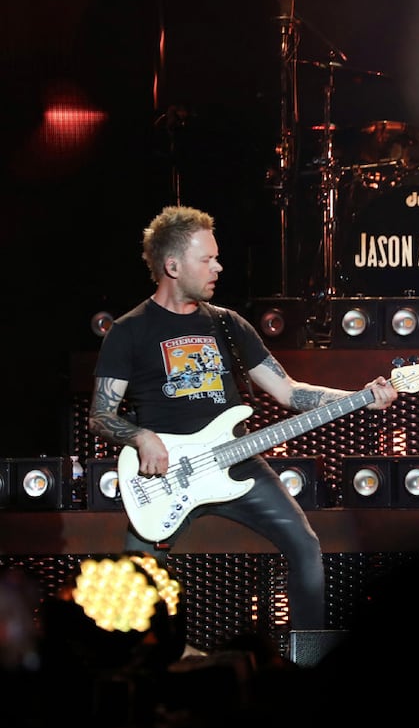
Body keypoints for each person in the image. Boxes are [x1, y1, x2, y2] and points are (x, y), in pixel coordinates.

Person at [88, 205, 399, 633]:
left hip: (238, 460)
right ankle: (135, 671)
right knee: (135, 580)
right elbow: (100, 415)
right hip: (165, 478)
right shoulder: (129, 331)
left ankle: (307, 664)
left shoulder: (229, 325)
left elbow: (288, 391)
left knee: (305, 545)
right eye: (207, 259)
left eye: (216, 257)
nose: (219, 266)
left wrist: (361, 398)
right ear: (172, 265)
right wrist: (141, 436)